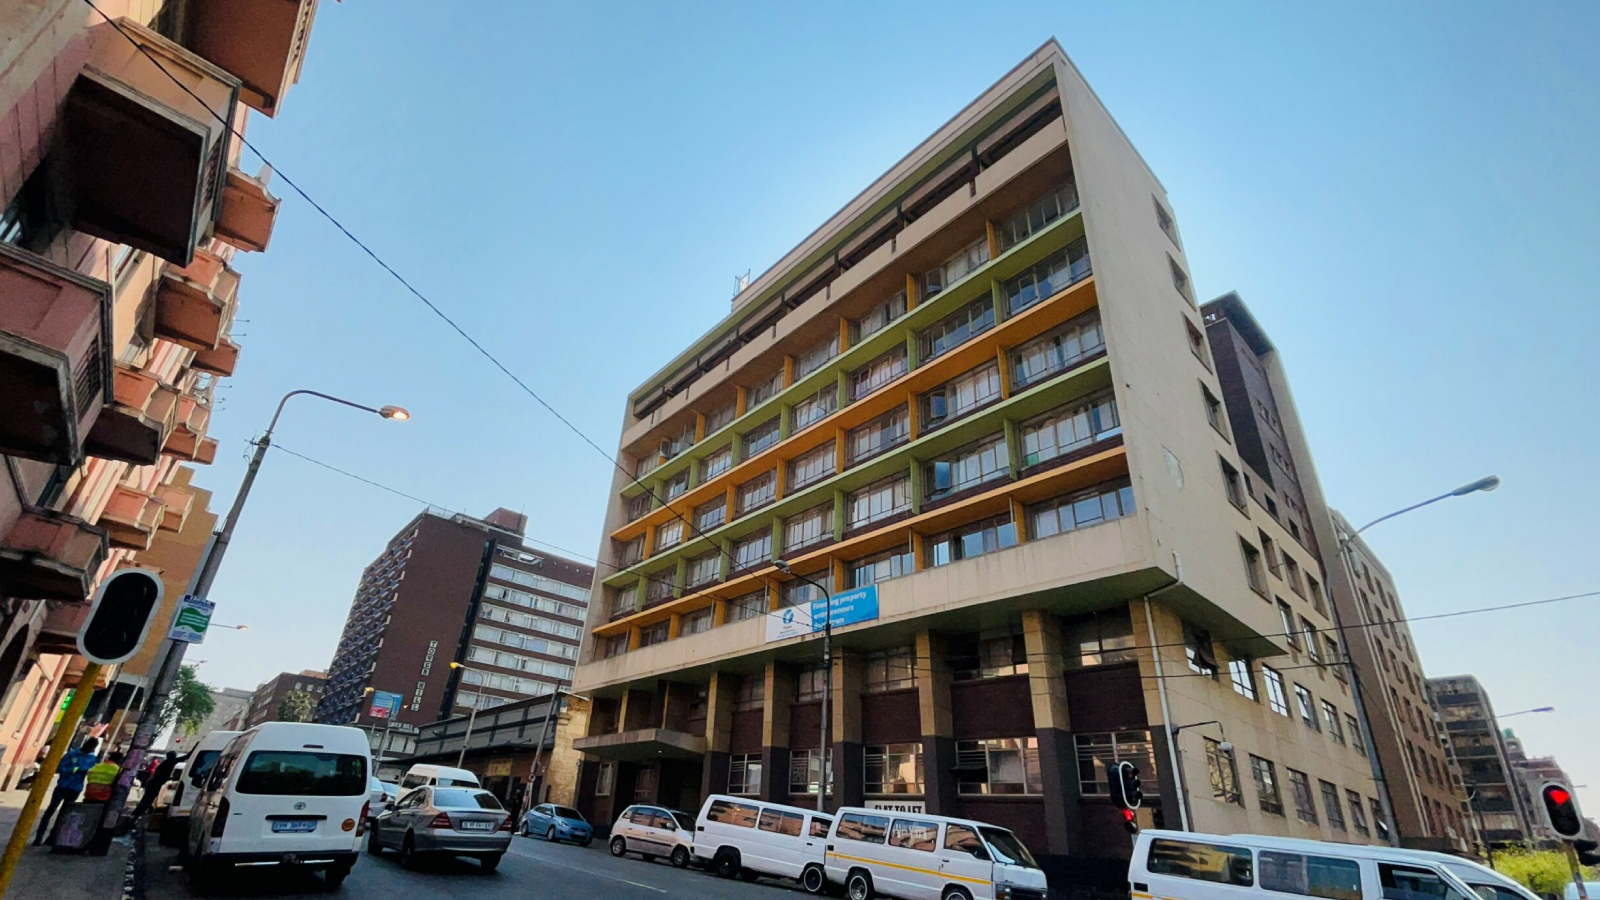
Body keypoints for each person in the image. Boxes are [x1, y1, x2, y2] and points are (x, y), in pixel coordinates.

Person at [34, 737, 99, 846]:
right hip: (62, 785)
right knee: (50, 811)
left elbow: (90, 772)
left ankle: (52, 838)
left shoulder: (92, 758)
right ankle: (38, 837)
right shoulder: (72, 754)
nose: (90, 749)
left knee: (64, 815)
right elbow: (60, 768)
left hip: (75, 788)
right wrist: (74, 770)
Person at [129, 751, 179, 821]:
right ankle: (135, 816)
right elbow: (185, 757)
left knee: (146, 801)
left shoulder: (165, 763)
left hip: (153, 784)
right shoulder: (169, 762)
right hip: (154, 785)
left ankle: (135, 815)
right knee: (147, 801)